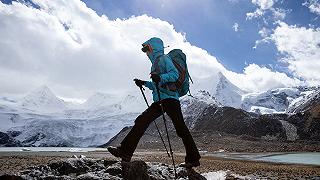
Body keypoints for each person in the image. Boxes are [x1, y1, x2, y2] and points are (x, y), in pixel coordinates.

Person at [108, 37, 201, 168]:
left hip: (170, 99)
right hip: (160, 100)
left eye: (147, 49)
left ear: (153, 48)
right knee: (142, 120)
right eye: (144, 50)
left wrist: (160, 77)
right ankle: (125, 152)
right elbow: (157, 84)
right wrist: (144, 83)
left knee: (181, 129)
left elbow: (174, 75)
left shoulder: (163, 59)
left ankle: (193, 159)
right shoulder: (155, 63)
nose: (145, 52)